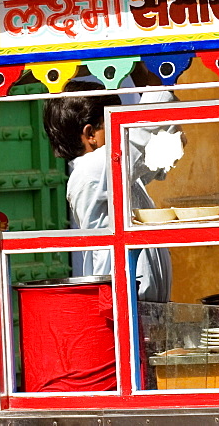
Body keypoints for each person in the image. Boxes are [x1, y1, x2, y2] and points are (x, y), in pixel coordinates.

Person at [43, 80, 172, 302]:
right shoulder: (93, 168)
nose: (120, 133)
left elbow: (157, 156)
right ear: (91, 133)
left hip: (141, 301)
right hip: (127, 301)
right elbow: (143, 131)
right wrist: (156, 80)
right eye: (113, 125)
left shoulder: (109, 170)